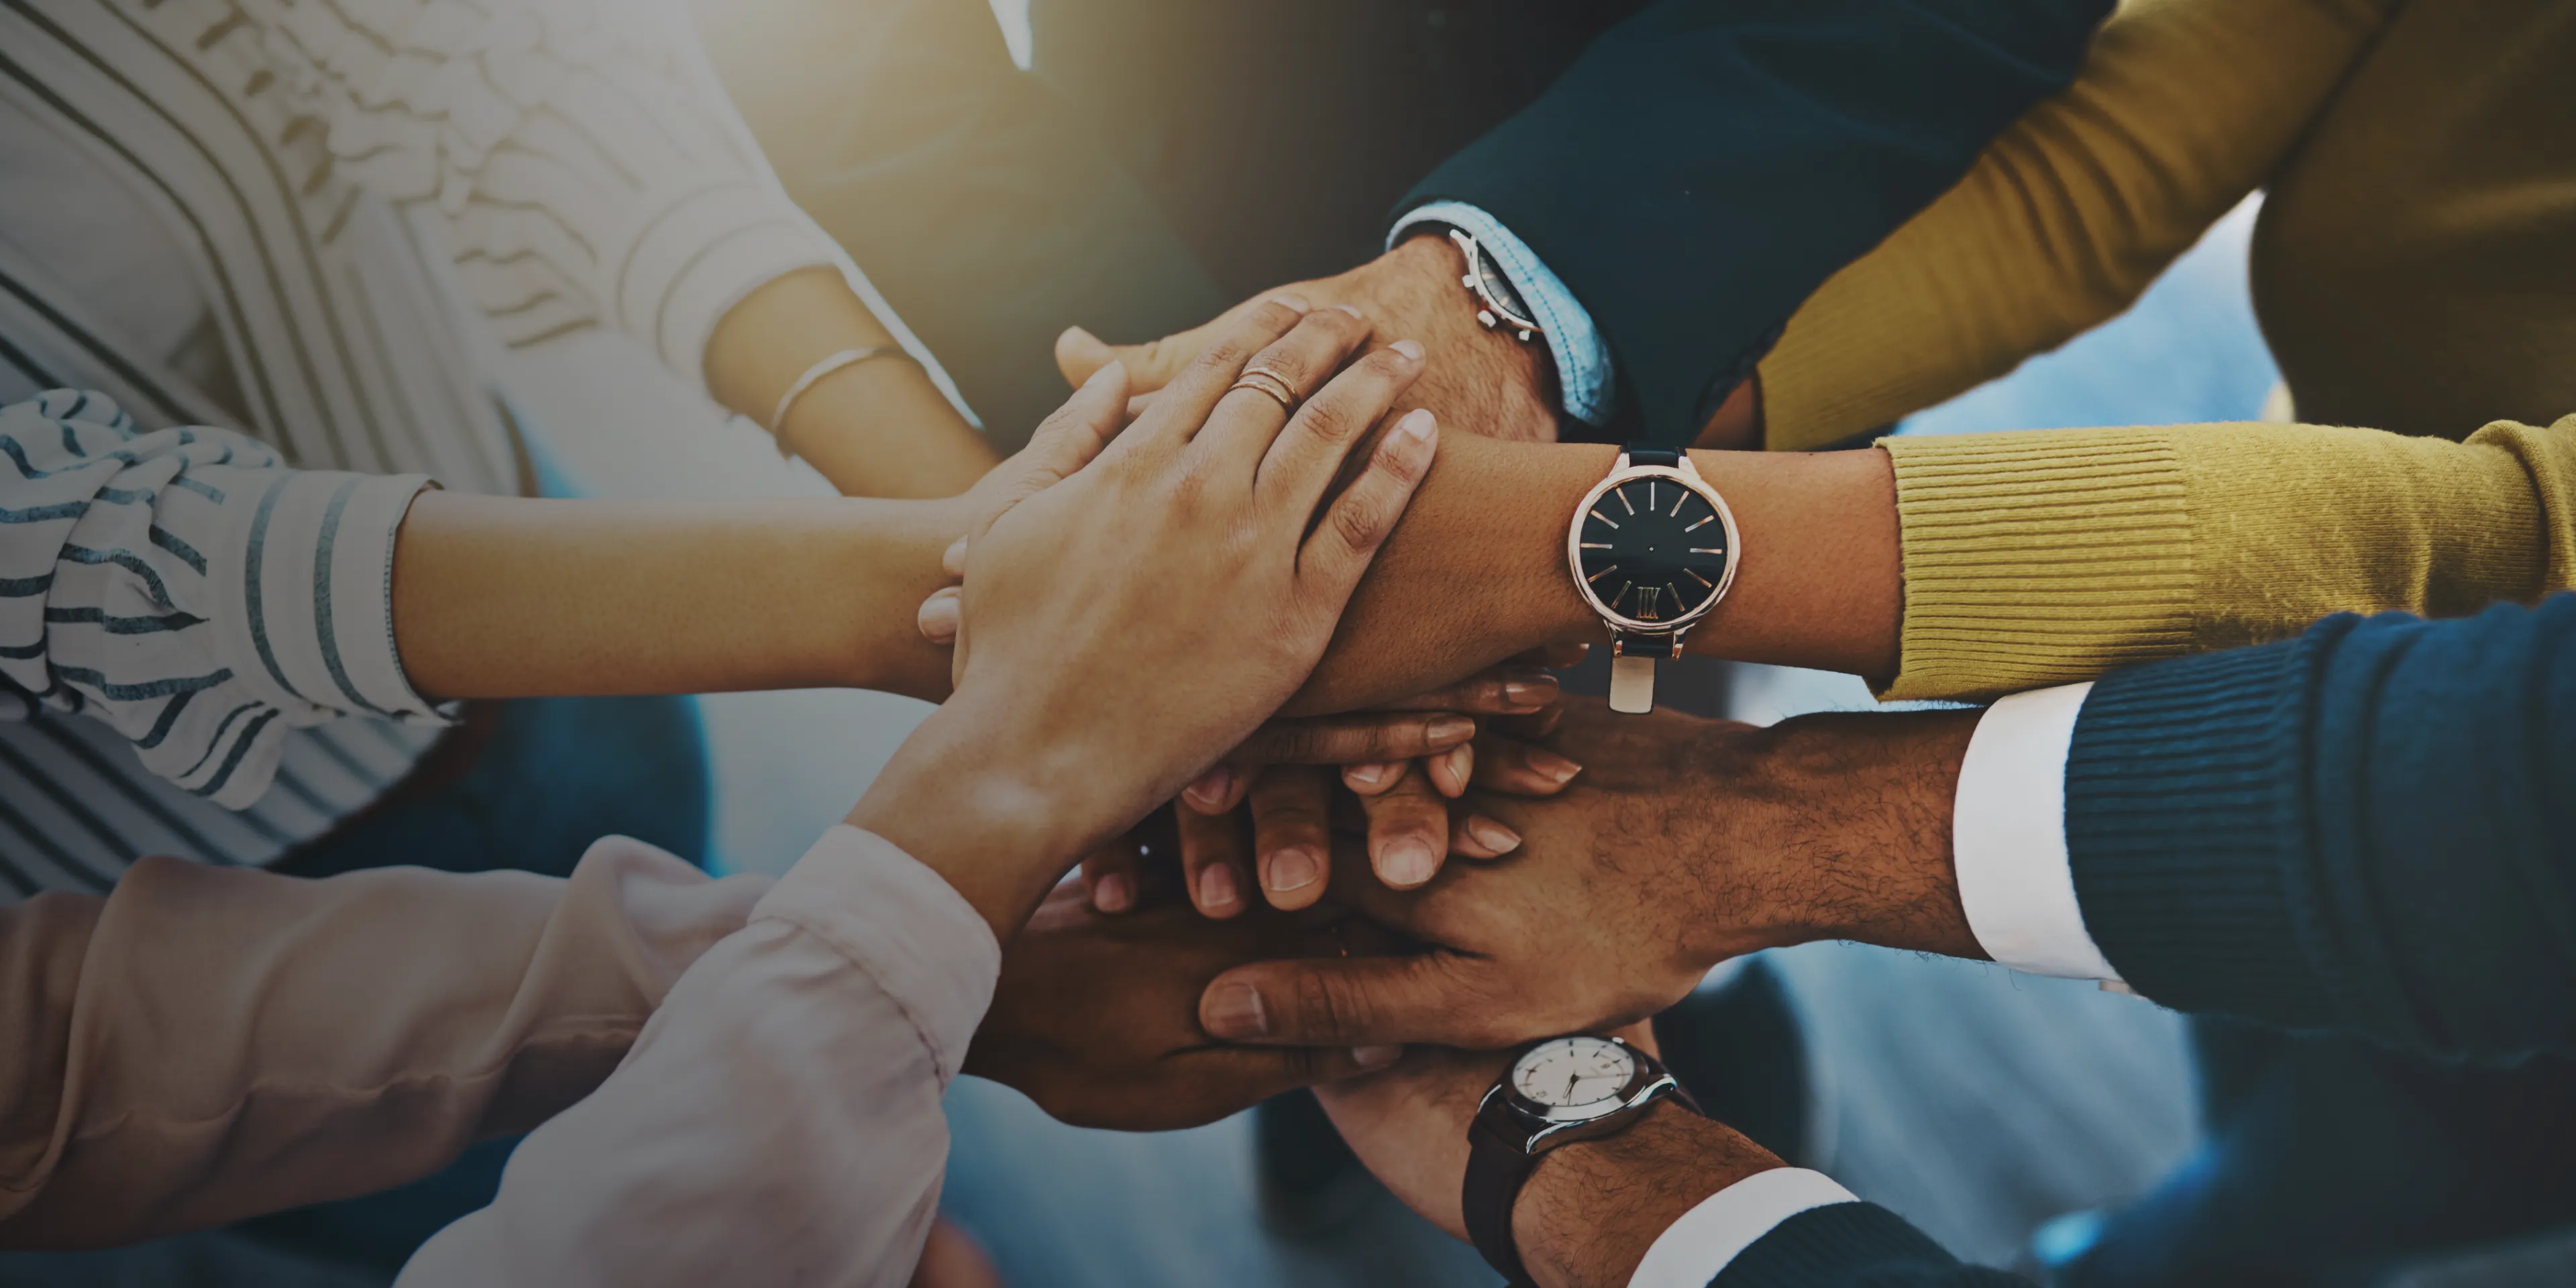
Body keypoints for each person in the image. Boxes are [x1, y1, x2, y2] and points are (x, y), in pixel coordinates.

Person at [3, 299, 1446, 1281]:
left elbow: (54, 1057)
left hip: (510, 733)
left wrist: (912, 974)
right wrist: (988, 781)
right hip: (222, 860)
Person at [1271, 590, 2576, 1287]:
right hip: (2369, 675)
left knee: (2346, 1172)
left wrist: (1596, 1159)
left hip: (2383, 720)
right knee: (2288, 1081)